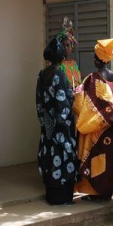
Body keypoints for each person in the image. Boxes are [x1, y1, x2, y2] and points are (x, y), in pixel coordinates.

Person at [73, 38, 113, 200]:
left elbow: (80, 102)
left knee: (95, 160)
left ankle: (96, 193)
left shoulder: (91, 79)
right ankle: (107, 192)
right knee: (110, 161)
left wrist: (74, 92)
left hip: (97, 131)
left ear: (98, 60)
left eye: (95, 57)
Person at [35, 37, 78, 205]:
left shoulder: (42, 74)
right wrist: (72, 98)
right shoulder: (59, 74)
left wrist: (45, 121)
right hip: (61, 127)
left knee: (48, 156)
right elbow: (63, 102)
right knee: (62, 157)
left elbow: (38, 101)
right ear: (61, 58)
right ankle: (62, 198)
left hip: (47, 124)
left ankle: (51, 194)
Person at [58, 17, 82, 89]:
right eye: (63, 45)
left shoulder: (74, 63)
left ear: (72, 47)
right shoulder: (59, 65)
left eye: (68, 45)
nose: (65, 48)